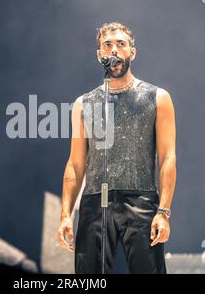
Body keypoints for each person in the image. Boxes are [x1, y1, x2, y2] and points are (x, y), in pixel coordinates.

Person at [56, 22, 177, 274]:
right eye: (107, 45)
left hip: (141, 201)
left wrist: (163, 212)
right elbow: (75, 164)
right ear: (99, 54)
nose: (114, 50)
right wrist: (65, 214)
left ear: (132, 51)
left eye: (121, 44)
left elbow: (167, 158)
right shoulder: (84, 103)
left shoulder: (158, 97)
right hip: (95, 202)